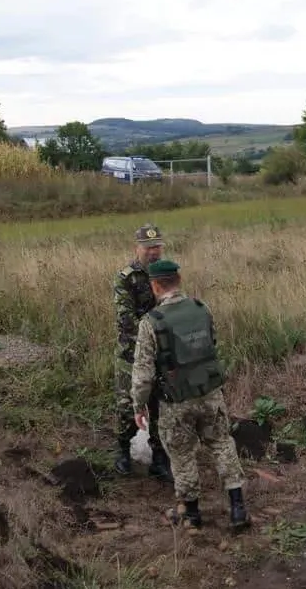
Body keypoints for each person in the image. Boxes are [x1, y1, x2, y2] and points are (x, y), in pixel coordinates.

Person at [130, 258, 250, 531]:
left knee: (182, 454)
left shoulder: (151, 322)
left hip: (176, 401)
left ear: (155, 286)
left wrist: (138, 406)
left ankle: (192, 514)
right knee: (221, 443)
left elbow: (143, 373)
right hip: (210, 393)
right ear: (179, 280)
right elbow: (212, 344)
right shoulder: (201, 308)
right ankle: (238, 508)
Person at [112, 224, 173, 481]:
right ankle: (123, 452)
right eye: (148, 248)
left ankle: (159, 459)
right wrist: (155, 336)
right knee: (127, 406)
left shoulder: (167, 275)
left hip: (160, 356)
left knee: (160, 407)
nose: (153, 252)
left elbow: (175, 309)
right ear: (137, 248)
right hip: (132, 355)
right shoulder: (126, 278)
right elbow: (126, 321)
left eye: (157, 246)